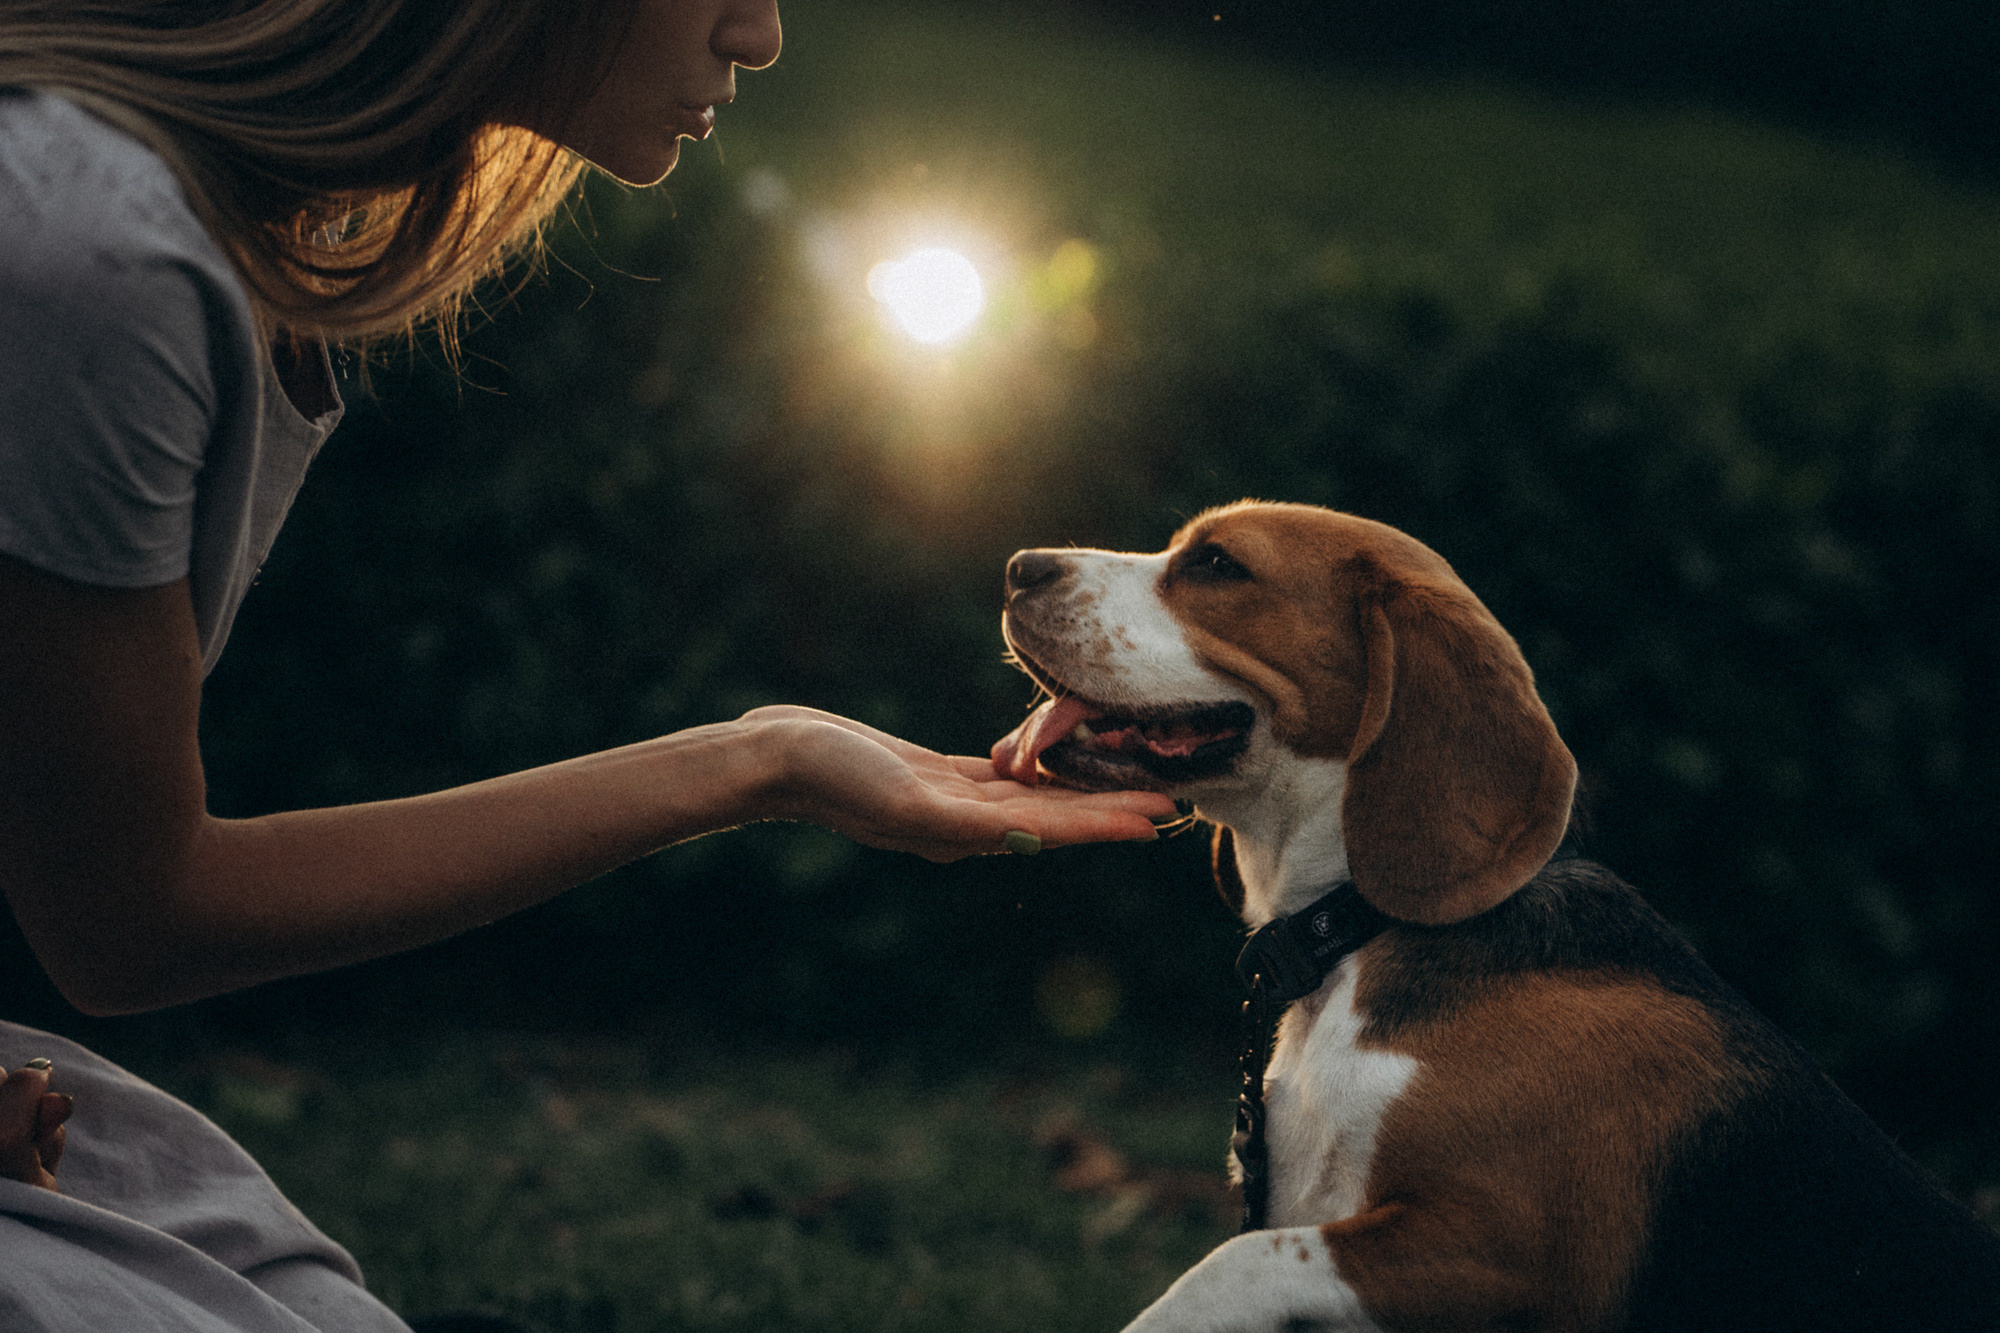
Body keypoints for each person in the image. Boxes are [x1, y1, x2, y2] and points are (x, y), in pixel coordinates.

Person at [0, 1, 1176, 1327]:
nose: (760, 35)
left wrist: (762, 754)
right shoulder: (93, 257)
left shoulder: (201, 231)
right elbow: (128, 919)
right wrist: (754, 766)